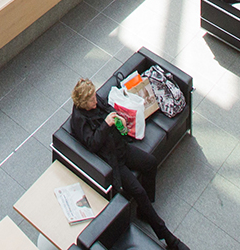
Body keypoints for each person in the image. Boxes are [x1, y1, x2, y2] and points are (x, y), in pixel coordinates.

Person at [67, 78, 188, 250]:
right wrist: (105, 125)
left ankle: (144, 210)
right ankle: (168, 237)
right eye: (92, 100)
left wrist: (119, 117)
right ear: (83, 103)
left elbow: (107, 108)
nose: (96, 101)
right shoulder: (79, 119)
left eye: (95, 97)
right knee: (138, 191)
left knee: (150, 163)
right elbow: (92, 144)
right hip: (112, 160)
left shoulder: (94, 100)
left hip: (121, 147)